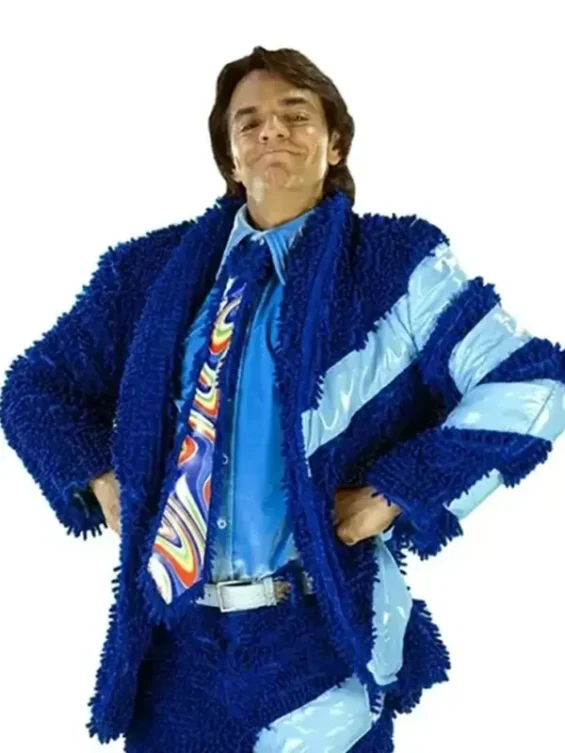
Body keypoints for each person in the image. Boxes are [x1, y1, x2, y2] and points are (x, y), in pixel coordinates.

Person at [2, 45, 565, 752]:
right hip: (175, 645)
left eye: (296, 115)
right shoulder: (148, 272)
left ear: (335, 144)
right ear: (231, 159)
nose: (271, 130)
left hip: (315, 639)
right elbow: (35, 388)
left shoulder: (397, 265)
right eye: (249, 122)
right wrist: (102, 481)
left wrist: (392, 493)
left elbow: (533, 382)